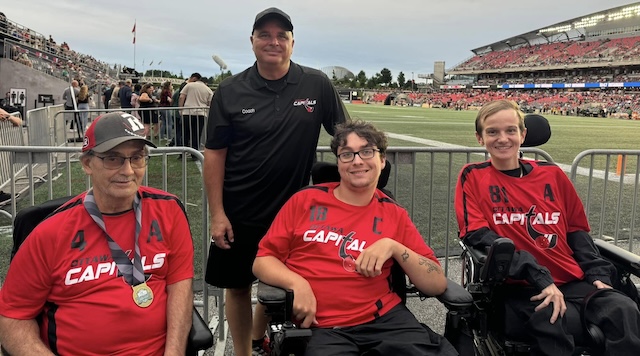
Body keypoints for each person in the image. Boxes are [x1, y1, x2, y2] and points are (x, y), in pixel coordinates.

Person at [203, 7, 350, 356]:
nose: (273, 42)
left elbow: (345, 136)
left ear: (292, 43)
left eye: (281, 36)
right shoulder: (230, 90)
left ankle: (258, 335)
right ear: (252, 41)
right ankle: (242, 352)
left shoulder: (316, 84)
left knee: (283, 284)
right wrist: (217, 213)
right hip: (240, 210)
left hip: (297, 212)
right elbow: (214, 154)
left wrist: (367, 162)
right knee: (238, 287)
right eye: (265, 35)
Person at [253, 120, 457, 356]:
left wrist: (393, 246)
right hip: (320, 326)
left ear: (382, 160)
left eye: (367, 151)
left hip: (386, 321)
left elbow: (436, 283)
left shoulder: (394, 213)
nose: (358, 160)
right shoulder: (305, 201)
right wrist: (296, 283)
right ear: (339, 163)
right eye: (347, 154)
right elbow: (263, 260)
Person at [454, 99, 640, 355]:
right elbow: (477, 234)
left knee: (624, 309)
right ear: (479, 137)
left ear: (523, 134)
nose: (503, 138)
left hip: (571, 278)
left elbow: (577, 231)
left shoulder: (552, 174)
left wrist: (598, 275)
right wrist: (538, 276)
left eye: (510, 130)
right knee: (551, 320)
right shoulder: (473, 176)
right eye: (492, 132)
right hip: (520, 283)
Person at [0, 111, 195, 355]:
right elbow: (12, 317)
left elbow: (179, 284)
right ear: (87, 164)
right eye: (113, 159)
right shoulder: (49, 232)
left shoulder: (169, 210)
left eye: (136, 158)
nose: (128, 171)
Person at [178, 73, 212, 154]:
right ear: (205, 83)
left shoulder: (189, 85)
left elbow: (181, 97)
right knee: (196, 135)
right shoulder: (208, 90)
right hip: (201, 114)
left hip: (187, 112)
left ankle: (183, 152)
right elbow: (210, 103)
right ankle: (195, 153)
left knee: (185, 133)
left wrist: (180, 109)